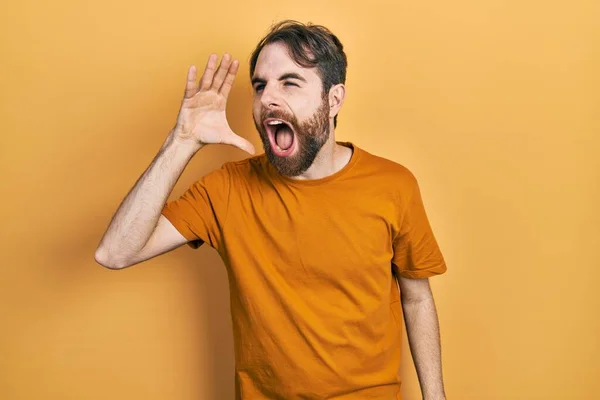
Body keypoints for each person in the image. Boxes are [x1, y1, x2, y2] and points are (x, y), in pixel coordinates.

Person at [95, 20, 447, 400]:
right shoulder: (226, 190)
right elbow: (115, 252)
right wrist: (182, 141)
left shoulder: (393, 186)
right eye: (260, 86)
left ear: (334, 99)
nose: (268, 100)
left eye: (290, 83)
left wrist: (436, 396)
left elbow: (417, 297)